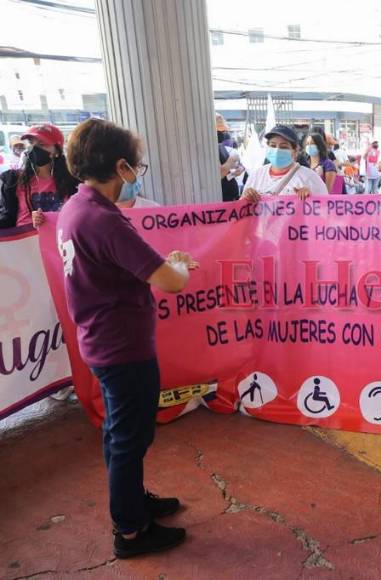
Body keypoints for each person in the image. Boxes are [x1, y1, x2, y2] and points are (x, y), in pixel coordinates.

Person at [60, 118, 199, 558]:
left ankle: (133, 502)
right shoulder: (103, 220)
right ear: (120, 166)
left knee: (120, 434)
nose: (136, 174)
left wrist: (166, 265)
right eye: (135, 165)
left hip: (102, 341)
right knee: (129, 438)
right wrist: (179, 264)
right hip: (122, 348)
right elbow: (171, 281)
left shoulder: (76, 207)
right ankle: (132, 530)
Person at [0, 124, 79, 229]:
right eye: (31, 143)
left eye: (42, 144)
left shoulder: (72, 180)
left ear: (57, 150)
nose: (34, 149)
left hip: (58, 234)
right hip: (24, 236)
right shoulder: (13, 180)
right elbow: (7, 216)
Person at [241, 125, 327, 203]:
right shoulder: (257, 175)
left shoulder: (309, 178)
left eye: (284, 147)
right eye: (273, 145)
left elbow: (326, 207)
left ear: (295, 151)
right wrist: (246, 197)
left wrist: (311, 198)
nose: (277, 150)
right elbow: (242, 209)